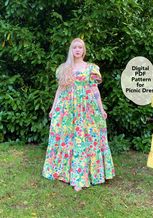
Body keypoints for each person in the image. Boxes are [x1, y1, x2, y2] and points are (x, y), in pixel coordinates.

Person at [42, 38, 115, 191]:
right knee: (67, 138)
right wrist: (53, 108)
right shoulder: (64, 68)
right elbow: (60, 90)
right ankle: (65, 173)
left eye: (80, 47)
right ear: (71, 50)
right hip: (67, 109)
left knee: (85, 138)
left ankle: (80, 178)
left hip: (86, 109)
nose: (77, 50)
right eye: (74, 47)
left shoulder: (91, 68)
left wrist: (101, 110)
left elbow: (95, 90)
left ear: (83, 50)